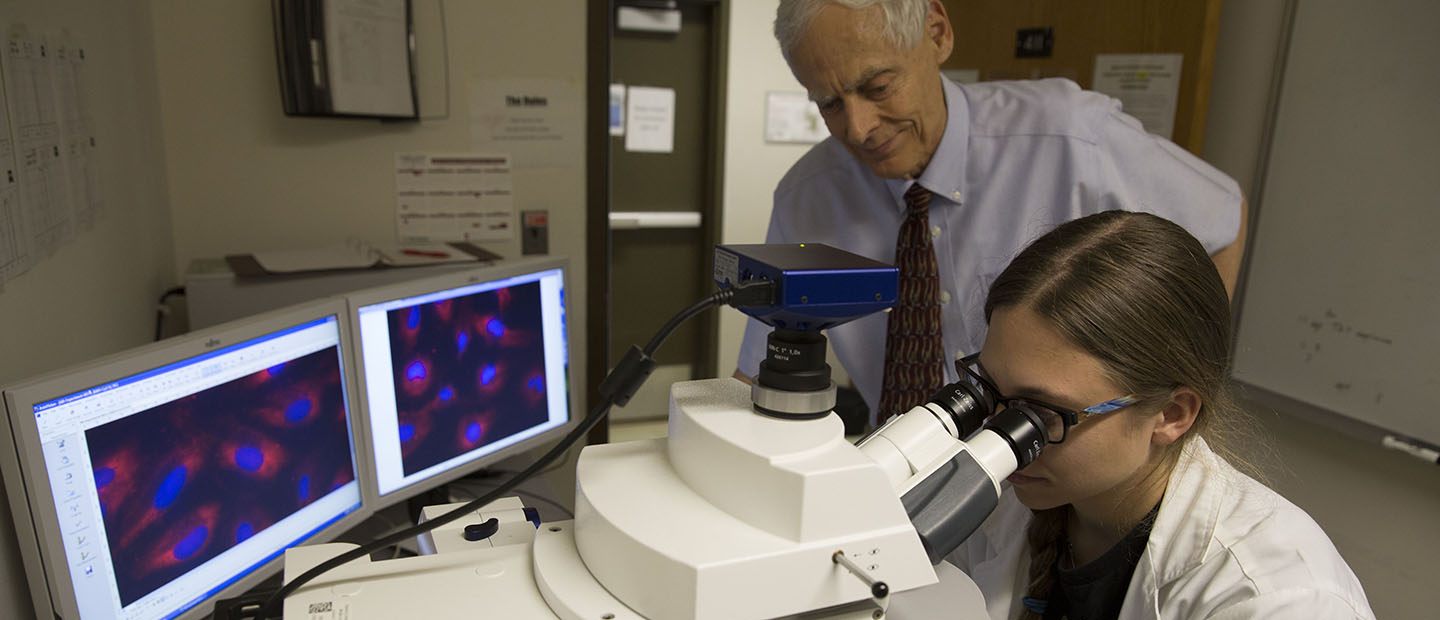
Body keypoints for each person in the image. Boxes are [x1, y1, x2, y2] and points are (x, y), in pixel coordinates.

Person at [736, 0, 1249, 426]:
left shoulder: (1069, 137)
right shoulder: (808, 195)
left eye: (878, 87)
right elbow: (757, 370)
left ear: (937, 33)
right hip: (899, 470)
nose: (859, 127)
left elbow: (1219, 220)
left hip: (1055, 479)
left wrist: (1169, 398)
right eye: (828, 104)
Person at [947, 210, 1373, 619]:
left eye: (1039, 412)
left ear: (1171, 414)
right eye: (990, 391)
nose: (998, 435)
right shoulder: (1002, 509)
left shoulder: (1276, 599)